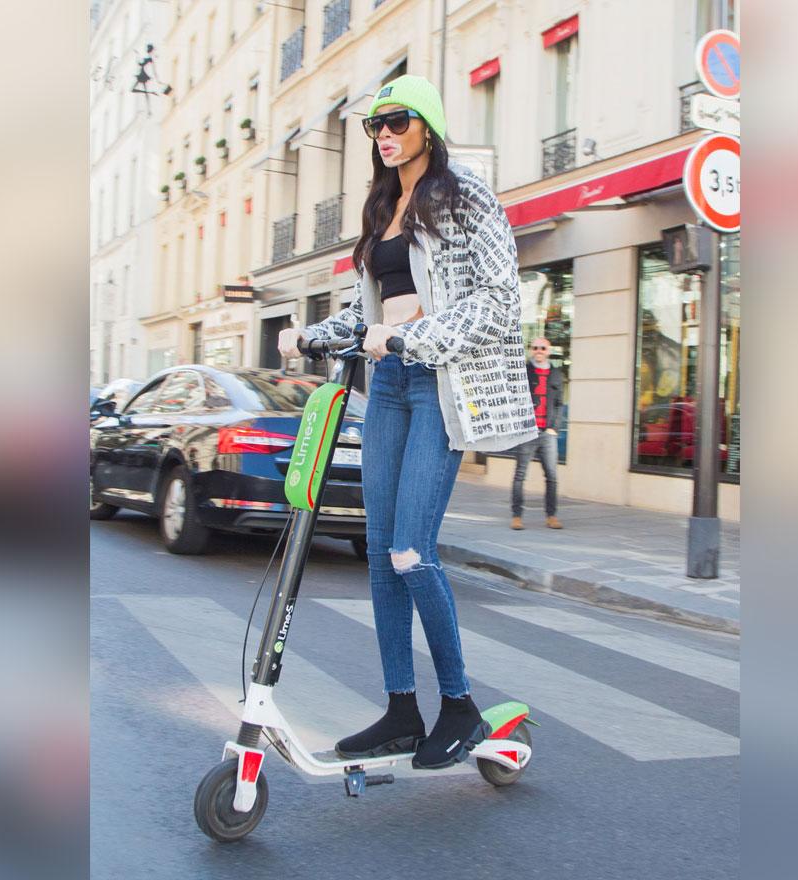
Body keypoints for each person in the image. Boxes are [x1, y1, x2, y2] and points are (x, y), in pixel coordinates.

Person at [278, 74, 537, 769]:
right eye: (375, 126)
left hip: (439, 385)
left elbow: (497, 301)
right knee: (379, 555)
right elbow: (369, 317)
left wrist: (409, 341)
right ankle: (400, 710)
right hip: (388, 385)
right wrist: (311, 334)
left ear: (430, 124)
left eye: (396, 121)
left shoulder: (465, 194)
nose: (384, 134)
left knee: (410, 551)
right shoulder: (385, 204)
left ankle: (459, 707)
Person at [510, 337, 564, 530]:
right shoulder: (523, 371)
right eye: (535, 348)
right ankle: (516, 516)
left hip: (548, 434)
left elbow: (559, 404)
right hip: (528, 431)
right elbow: (514, 399)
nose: (539, 350)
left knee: (551, 476)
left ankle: (551, 516)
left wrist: (554, 427)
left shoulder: (556, 374)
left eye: (543, 348)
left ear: (548, 350)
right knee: (520, 475)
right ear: (531, 350)